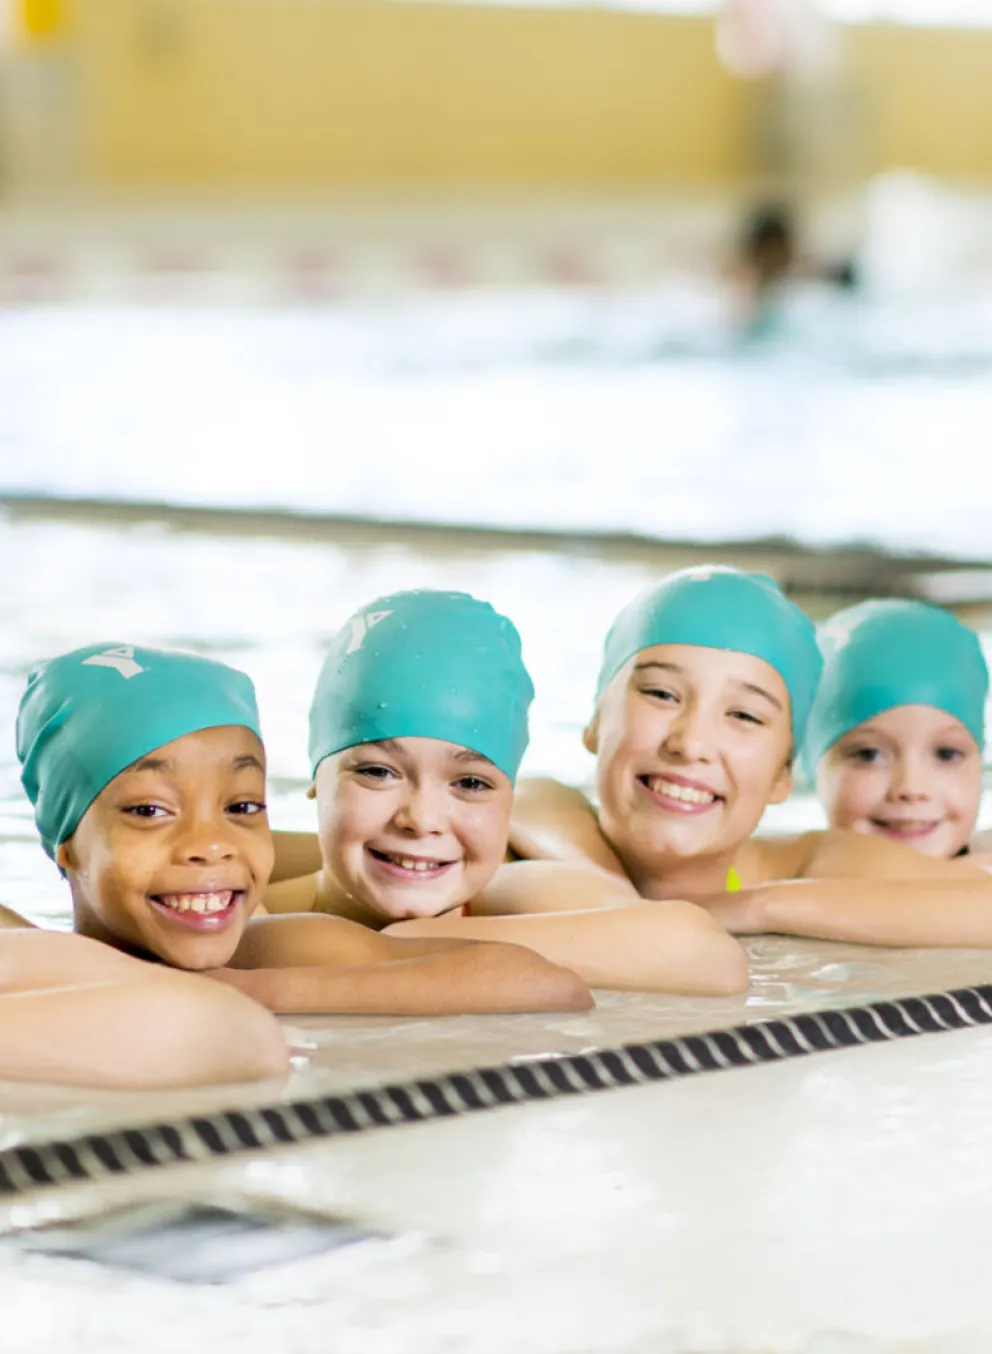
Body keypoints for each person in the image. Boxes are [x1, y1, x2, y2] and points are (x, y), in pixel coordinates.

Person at [14, 642, 592, 1016]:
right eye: (150, 811)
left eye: (241, 808)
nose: (211, 846)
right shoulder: (29, 955)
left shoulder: (268, 953)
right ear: (66, 842)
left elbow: (545, 984)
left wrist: (251, 994)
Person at [266, 590, 749, 996]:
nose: (423, 819)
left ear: (507, 802)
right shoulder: (253, 918)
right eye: (378, 772)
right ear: (315, 775)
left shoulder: (516, 894)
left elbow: (708, 953)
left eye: (471, 783)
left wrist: (402, 942)